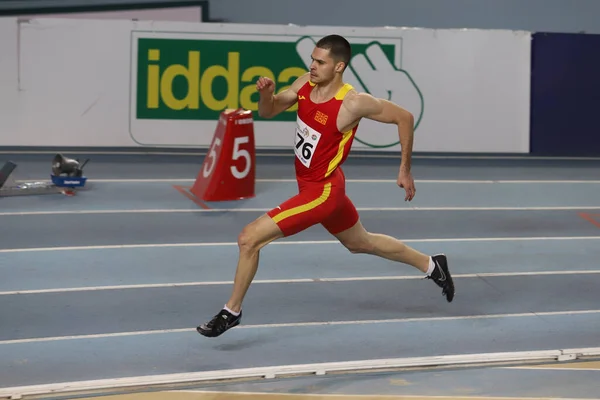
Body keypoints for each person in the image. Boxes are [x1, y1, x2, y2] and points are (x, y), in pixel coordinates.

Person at [197, 34, 454, 338]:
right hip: (319, 186)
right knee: (361, 243)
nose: (313, 66)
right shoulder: (305, 83)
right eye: (312, 59)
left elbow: (405, 118)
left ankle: (231, 311)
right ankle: (432, 265)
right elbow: (269, 110)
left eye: (320, 62)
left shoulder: (352, 103)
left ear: (339, 67)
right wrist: (266, 95)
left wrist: (405, 170)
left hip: (322, 192)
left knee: (249, 238)